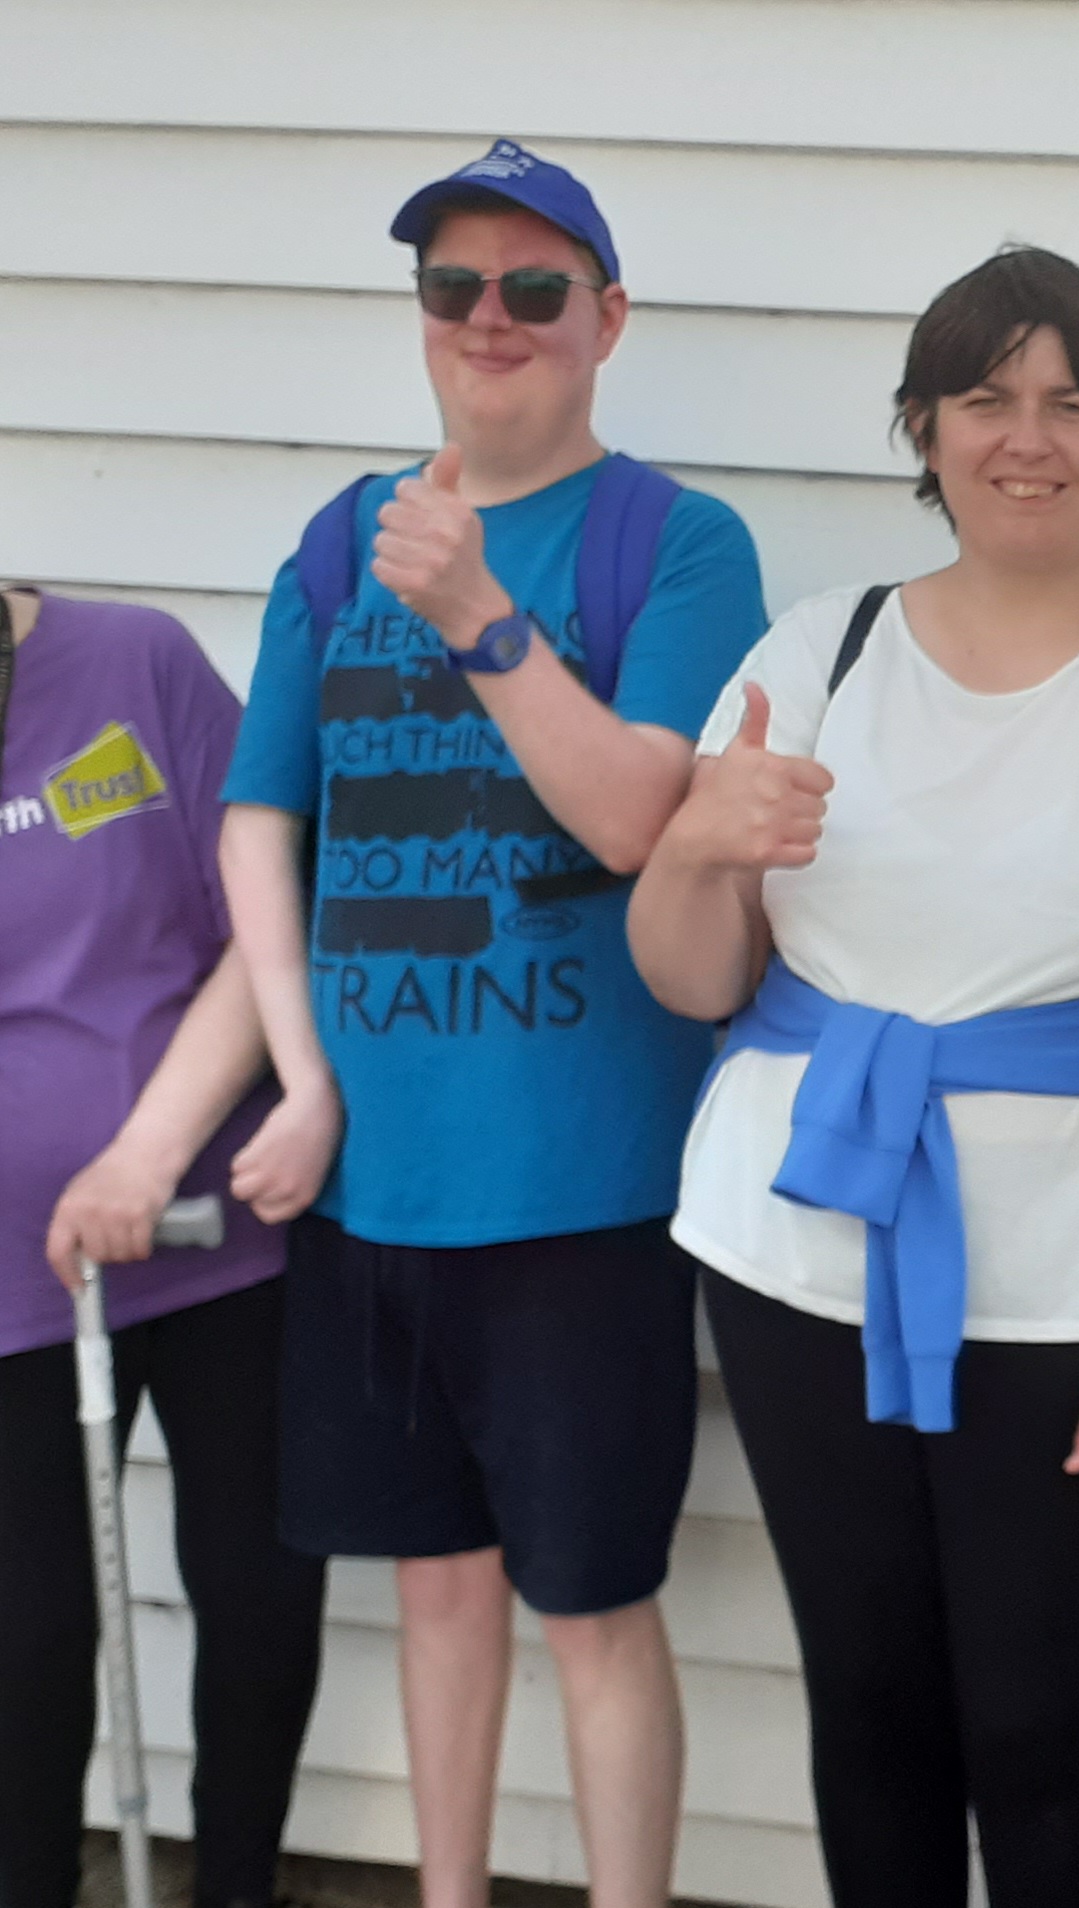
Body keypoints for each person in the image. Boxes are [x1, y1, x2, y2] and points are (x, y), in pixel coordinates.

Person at [626, 246, 1079, 1908]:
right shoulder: (825, 646)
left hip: (1070, 1272)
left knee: (1035, 1711)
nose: (1031, 436)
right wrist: (694, 855)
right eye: (986, 399)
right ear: (922, 431)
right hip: (795, 1235)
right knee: (867, 1698)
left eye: (1075, 401)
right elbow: (700, 976)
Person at [215, 141, 766, 1908]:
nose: (493, 322)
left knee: (592, 1605)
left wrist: (473, 610)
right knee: (434, 1589)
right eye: (457, 289)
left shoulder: (674, 541)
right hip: (372, 1188)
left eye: (537, 291)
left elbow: (635, 818)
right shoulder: (334, 536)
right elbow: (260, 825)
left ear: (607, 319)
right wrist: (298, 1080)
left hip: (581, 1192)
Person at [0, 585, 326, 1908]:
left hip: (217, 1225)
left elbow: (264, 918)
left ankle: (236, 1886)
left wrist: (143, 1153)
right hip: (17, 1284)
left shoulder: (134, 660)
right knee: (27, 1628)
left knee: (254, 1588)